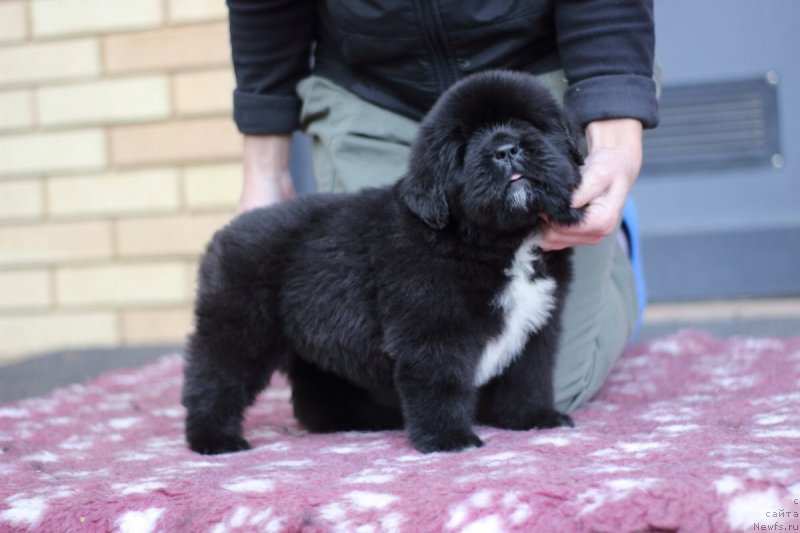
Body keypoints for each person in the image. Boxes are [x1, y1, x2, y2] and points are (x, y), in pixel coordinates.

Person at [226, 0, 658, 413]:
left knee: (542, 392)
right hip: (375, 92)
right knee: (403, 377)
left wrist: (614, 141)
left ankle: (613, 251)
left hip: (531, 75)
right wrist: (266, 171)